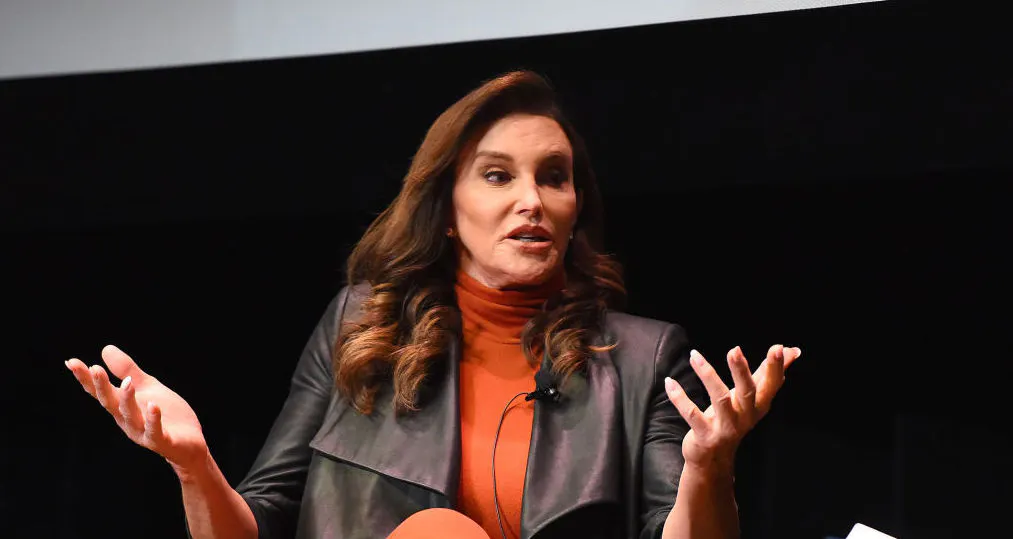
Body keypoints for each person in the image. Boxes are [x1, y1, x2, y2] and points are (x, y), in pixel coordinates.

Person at [65, 71, 801, 539]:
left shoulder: (642, 358)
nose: (531, 200)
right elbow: (256, 525)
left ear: (576, 206)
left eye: (553, 177)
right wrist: (193, 464)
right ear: (447, 210)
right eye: (497, 176)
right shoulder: (360, 327)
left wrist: (709, 467)